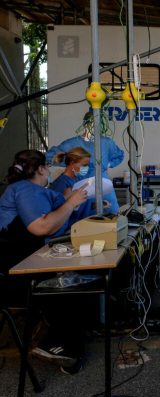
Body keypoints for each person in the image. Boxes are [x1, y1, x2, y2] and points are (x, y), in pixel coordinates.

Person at [0, 150, 89, 373]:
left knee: (71, 284)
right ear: (40, 169)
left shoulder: (32, 190)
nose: (49, 170)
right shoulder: (26, 190)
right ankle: (58, 347)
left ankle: (62, 344)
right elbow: (41, 226)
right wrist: (71, 203)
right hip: (15, 275)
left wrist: (69, 202)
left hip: (24, 264)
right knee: (70, 288)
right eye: (47, 167)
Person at [46, 111, 124, 214]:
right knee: (84, 216)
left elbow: (119, 155)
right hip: (81, 184)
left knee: (110, 215)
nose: (96, 126)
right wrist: (71, 164)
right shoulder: (72, 143)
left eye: (99, 124)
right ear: (85, 124)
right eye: (92, 123)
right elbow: (50, 156)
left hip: (103, 184)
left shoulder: (107, 142)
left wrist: (107, 164)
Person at [50, 146, 96, 220]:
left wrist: (95, 205)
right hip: (72, 228)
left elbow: (80, 205)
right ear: (72, 163)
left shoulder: (77, 180)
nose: (86, 168)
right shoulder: (61, 183)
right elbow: (60, 212)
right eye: (84, 165)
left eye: (87, 165)